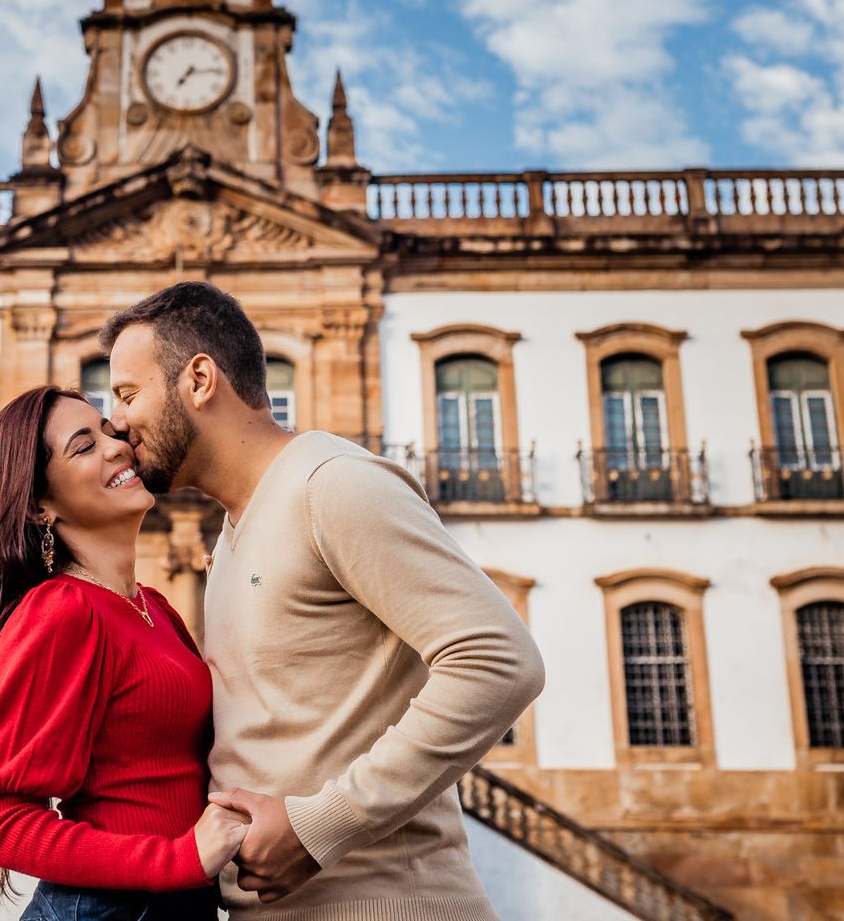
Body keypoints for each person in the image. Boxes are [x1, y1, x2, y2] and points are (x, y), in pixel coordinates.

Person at [103, 283, 546, 919]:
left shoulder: (331, 484)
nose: (116, 423)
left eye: (126, 393)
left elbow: (500, 661)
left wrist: (320, 826)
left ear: (199, 379)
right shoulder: (236, 528)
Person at [0, 385, 245, 921]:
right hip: (113, 908)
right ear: (41, 505)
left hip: (177, 902)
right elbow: (2, 825)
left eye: (110, 432)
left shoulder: (152, 607)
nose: (117, 446)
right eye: (83, 446)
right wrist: (177, 858)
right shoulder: (62, 611)